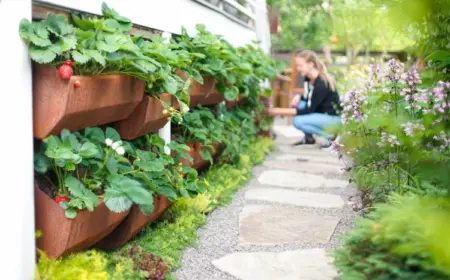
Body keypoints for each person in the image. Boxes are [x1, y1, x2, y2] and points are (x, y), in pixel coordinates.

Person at [268, 50, 342, 148]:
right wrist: (299, 96)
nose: (298, 69)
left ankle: (330, 137)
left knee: (298, 121)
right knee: (298, 104)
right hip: (321, 114)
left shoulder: (321, 84)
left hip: (333, 118)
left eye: (300, 65)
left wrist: (279, 111)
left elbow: (310, 109)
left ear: (310, 64)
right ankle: (309, 138)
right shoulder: (308, 79)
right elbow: (310, 97)